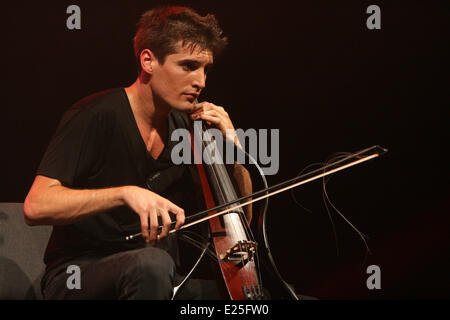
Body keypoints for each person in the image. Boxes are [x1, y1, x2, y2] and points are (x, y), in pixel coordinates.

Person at [24, 5, 252, 300]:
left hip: (158, 278)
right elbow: (36, 206)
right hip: (78, 273)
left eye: (206, 69)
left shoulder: (190, 128)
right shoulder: (96, 116)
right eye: (188, 66)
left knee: (255, 297)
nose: (201, 81)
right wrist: (125, 193)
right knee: (152, 264)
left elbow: (238, 222)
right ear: (148, 61)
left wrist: (233, 147)